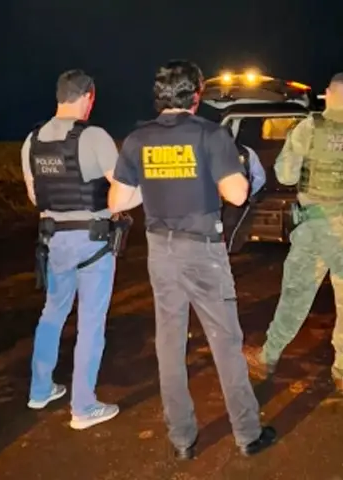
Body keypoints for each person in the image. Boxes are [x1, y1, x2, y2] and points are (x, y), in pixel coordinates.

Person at [107, 59, 277, 459]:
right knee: (225, 342)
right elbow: (237, 194)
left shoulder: (138, 139)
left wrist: (157, 183)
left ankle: (182, 440)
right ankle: (247, 434)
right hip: (201, 250)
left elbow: (118, 200)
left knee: (169, 344)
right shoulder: (211, 135)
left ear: (159, 94)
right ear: (196, 95)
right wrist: (234, 171)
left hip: (160, 250)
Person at [244, 72, 343, 395]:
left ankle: (268, 357)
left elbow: (285, 175)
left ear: (328, 94)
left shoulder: (309, 127)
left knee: (296, 296)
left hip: (315, 227)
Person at [22, 69, 139, 430]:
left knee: (52, 312)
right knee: (90, 322)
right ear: (89, 96)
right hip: (92, 242)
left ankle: (40, 389)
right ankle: (83, 407)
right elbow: (122, 191)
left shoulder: (32, 141)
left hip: (53, 240)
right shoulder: (94, 137)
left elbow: (35, 196)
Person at [221, 124, 267, 252]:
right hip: (238, 200)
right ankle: (226, 254)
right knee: (232, 231)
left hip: (213, 202)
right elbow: (260, 177)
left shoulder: (206, 151)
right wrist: (248, 193)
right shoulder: (246, 152)